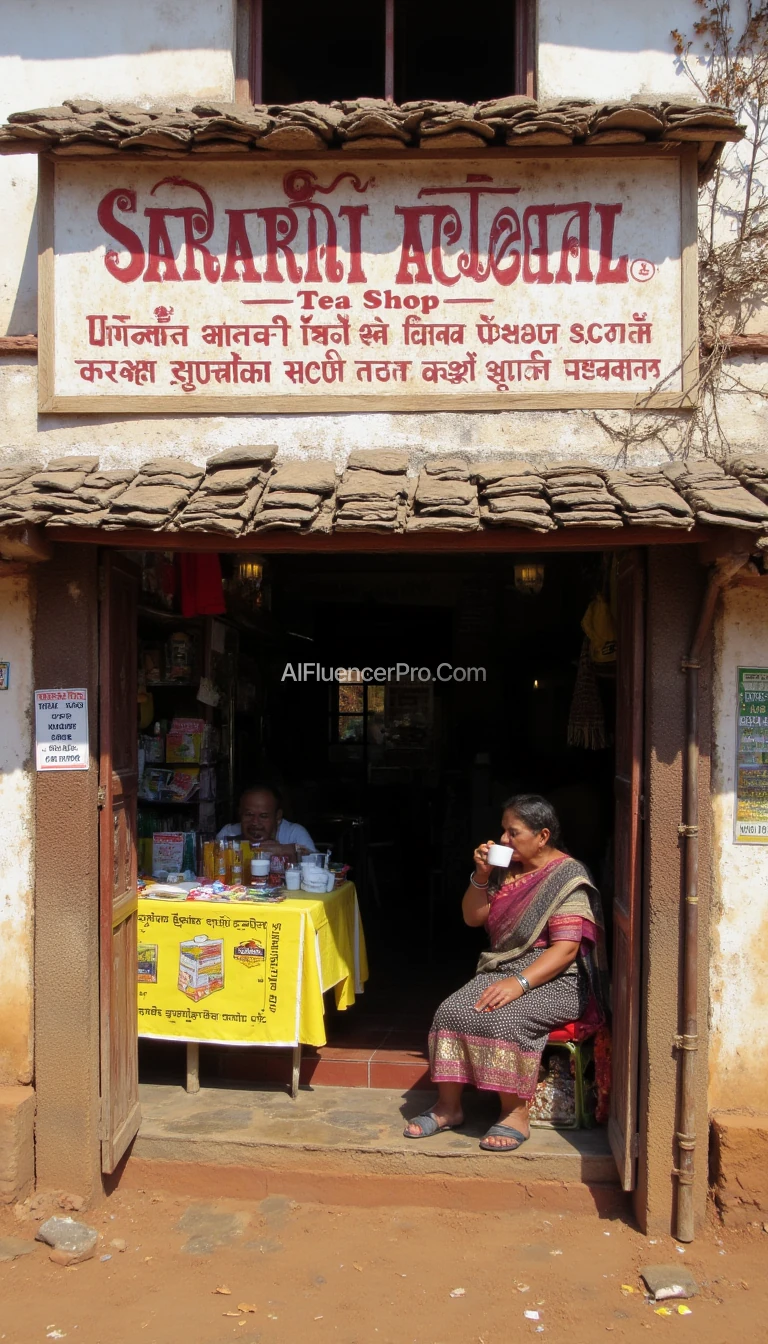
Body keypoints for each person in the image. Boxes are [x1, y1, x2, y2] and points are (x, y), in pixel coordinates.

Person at [404, 794, 606, 1152]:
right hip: (502, 968)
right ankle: (449, 1108)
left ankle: (514, 1113)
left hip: (557, 979)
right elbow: (472, 917)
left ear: (543, 836)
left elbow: (566, 949)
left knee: (506, 1020)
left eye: (513, 833)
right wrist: (481, 876)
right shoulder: (505, 871)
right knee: (449, 1012)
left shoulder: (568, 876)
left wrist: (520, 983)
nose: (503, 841)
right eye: (503, 832)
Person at [217, 784, 315, 860]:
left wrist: (288, 851)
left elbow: (320, 867)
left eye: (263, 816)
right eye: (249, 815)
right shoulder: (228, 834)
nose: (255, 822)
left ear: (278, 817)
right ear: (240, 813)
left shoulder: (293, 834)